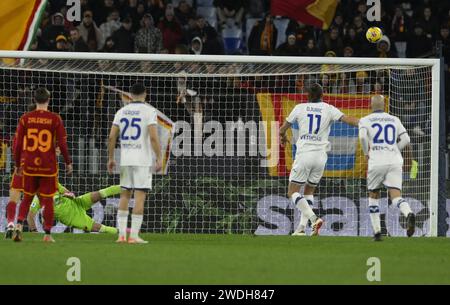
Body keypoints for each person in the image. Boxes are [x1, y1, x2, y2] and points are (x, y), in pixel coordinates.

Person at [279, 83, 359, 236]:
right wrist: (365, 123)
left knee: (292, 192)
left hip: (304, 154)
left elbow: (282, 129)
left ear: (307, 95)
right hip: (321, 157)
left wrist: (283, 137)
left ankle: (314, 218)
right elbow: (348, 119)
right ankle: (301, 229)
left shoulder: (299, 108)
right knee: (309, 191)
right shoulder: (329, 108)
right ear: (323, 94)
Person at [13, 88, 73, 242]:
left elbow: (18, 144)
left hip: (30, 165)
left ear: (34, 99)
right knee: (48, 200)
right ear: (49, 99)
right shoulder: (55, 119)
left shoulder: (25, 119)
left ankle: (18, 225)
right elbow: (63, 143)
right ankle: (47, 234)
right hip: (48, 167)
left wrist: (17, 164)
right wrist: (68, 162)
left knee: (27, 198)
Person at [107, 83, 162, 244]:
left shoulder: (121, 111)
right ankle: (134, 236)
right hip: (142, 160)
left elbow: (111, 137)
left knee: (124, 195)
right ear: (145, 94)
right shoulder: (149, 111)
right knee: (139, 196)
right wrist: (159, 157)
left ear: (130, 95)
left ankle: (121, 235)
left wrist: (110, 158)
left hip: (126, 160)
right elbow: (153, 137)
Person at [358, 95, 416, 241]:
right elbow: (407, 139)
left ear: (371, 105)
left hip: (377, 160)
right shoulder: (394, 119)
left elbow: (363, 138)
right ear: (384, 105)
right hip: (395, 160)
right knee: (396, 196)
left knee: (373, 195)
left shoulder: (365, 120)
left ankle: (377, 233)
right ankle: (408, 213)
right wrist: (395, 148)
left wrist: (366, 153)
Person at [28, 184, 120, 234]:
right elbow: (30, 216)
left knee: (98, 194)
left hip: (76, 202)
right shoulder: (37, 201)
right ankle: (120, 232)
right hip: (73, 217)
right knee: (97, 227)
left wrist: (69, 195)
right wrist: (34, 231)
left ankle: (124, 187)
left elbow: (68, 192)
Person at [4, 104, 37, 239]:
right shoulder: (41, 130)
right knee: (28, 199)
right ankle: (19, 225)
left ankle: (10, 223)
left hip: (21, 167)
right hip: (36, 168)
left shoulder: (20, 130)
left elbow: (15, 148)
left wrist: (18, 164)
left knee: (14, 197)